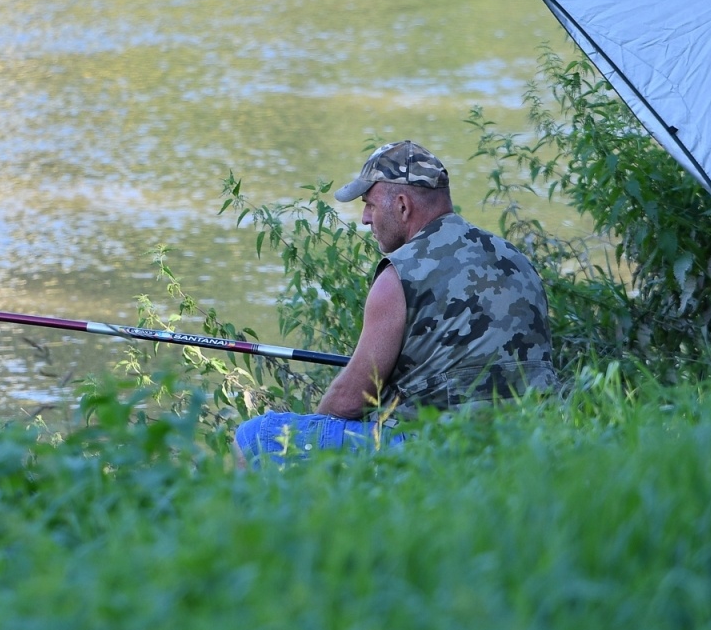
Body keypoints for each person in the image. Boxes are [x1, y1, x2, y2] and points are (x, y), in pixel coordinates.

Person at [236, 140, 554, 464]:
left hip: (440, 447)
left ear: (402, 206)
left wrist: (316, 433)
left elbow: (350, 400)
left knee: (254, 438)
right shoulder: (516, 260)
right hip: (526, 438)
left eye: (370, 204)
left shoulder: (400, 274)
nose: (364, 218)